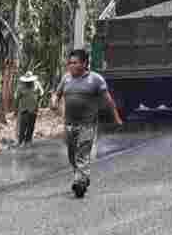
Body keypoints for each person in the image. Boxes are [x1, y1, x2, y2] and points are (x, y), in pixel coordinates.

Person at [52, 48, 123, 198]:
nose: (71, 66)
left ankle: (79, 183)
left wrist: (116, 118)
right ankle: (83, 178)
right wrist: (54, 102)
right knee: (72, 155)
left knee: (82, 154)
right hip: (69, 125)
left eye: (74, 63)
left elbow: (108, 100)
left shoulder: (95, 79)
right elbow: (57, 94)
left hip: (87, 125)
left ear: (84, 63)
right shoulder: (66, 79)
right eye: (69, 63)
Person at [14, 71, 40, 146]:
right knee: (23, 126)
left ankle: (28, 140)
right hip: (24, 110)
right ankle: (21, 141)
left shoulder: (36, 84)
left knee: (31, 126)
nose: (29, 82)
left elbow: (41, 93)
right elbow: (17, 98)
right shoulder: (20, 87)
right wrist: (15, 109)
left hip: (34, 109)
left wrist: (37, 101)